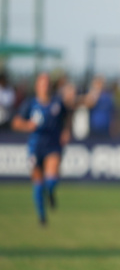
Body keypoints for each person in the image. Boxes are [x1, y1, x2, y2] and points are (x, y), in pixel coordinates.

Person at [11, 72, 73, 226]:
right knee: (38, 182)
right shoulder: (30, 104)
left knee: (51, 178)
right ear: (37, 86)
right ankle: (42, 217)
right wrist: (27, 125)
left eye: (47, 84)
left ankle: (50, 193)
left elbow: (67, 119)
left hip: (53, 145)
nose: (44, 87)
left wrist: (66, 131)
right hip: (35, 146)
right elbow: (16, 122)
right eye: (42, 83)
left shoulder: (57, 104)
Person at [82, 75, 116, 140]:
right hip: (93, 128)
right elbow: (88, 104)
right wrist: (95, 92)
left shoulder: (108, 96)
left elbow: (112, 113)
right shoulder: (90, 94)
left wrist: (113, 127)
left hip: (106, 129)